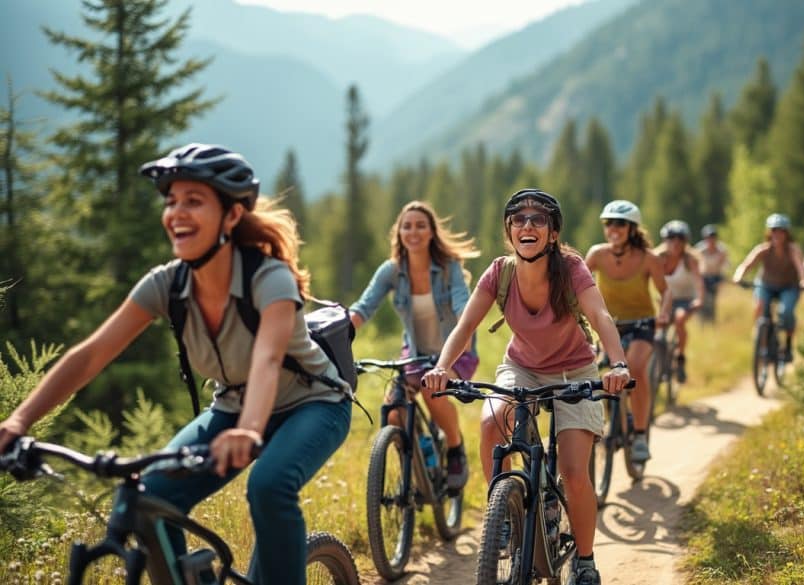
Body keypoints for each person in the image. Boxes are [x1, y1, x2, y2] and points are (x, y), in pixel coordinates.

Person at [0, 143, 352, 585]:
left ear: (231, 216)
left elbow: (267, 359)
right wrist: (18, 421)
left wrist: (250, 430)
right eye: (171, 201)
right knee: (153, 496)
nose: (176, 212)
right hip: (233, 408)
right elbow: (90, 355)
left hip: (313, 405)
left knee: (269, 486)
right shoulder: (167, 285)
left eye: (194, 201)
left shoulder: (269, 278)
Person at [421, 188, 631, 585]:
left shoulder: (571, 269)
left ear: (553, 234)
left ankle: (585, 562)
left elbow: (600, 315)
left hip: (575, 370)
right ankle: (503, 515)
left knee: (572, 470)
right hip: (523, 367)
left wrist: (617, 363)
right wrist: (442, 367)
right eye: (519, 219)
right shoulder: (499, 273)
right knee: (490, 422)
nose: (527, 225)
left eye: (538, 219)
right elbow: (464, 326)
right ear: (510, 232)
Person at [349, 200, 479, 491]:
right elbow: (363, 308)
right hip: (416, 355)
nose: (414, 231)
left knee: (433, 391)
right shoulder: (392, 271)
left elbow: (463, 305)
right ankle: (423, 459)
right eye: (407, 226)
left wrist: (466, 331)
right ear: (399, 233)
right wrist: (337, 332)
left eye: (421, 225)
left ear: (432, 232)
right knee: (394, 410)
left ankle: (455, 449)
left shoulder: (449, 268)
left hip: (455, 351)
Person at [584, 200, 671, 463]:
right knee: (599, 372)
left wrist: (664, 312)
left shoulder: (649, 258)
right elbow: (576, 284)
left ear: (632, 228)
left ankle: (641, 434)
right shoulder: (597, 255)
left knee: (634, 368)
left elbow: (666, 292)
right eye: (608, 223)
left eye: (619, 224)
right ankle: (613, 419)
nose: (613, 228)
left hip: (642, 323)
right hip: (609, 325)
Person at [732, 213, 804, 362]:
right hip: (766, 285)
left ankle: (787, 345)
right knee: (761, 308)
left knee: (786, 312)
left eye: (781, 231)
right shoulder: (763, 249)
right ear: (769, 232)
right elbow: (746, 264)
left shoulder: (793, 250)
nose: (777, 234)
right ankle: (763, 344)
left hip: (789, 286)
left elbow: (801, 268)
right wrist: (738, 276)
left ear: (786, 234)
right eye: (774, 231)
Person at [655, 220, 705, 383]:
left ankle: (680, 358)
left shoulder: (690, 260)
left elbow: (698, 281)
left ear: (685, 242)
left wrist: (700, 299)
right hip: (664, 301)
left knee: (679, 319)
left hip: (685, 300)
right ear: (665, 241)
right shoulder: (656, 258)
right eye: (671, 239)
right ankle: (660, 367)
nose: (675, 243)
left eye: (680, 240)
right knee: (657, 332)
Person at [694, 223, 730, 323]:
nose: (711, 240)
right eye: (709, 237)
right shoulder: (699, 250)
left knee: (712, 300)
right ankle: (701, 321)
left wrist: (722, 279)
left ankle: (710, 321)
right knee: (702, 298)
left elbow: (726, 266)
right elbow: (694, 266)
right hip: (703, 277)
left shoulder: (722, 250)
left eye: (713, 237)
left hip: (716, 277)